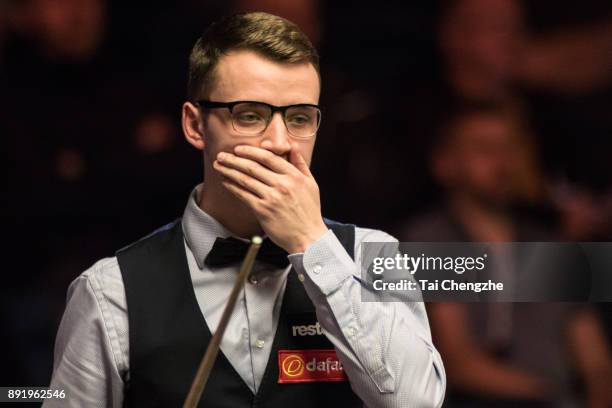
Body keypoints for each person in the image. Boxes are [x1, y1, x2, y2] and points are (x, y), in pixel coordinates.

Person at [44, 12, 446, 408]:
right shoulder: (110, 291)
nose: (278, 142)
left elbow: (417, 403)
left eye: (299, 118)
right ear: (195, 126)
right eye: (250, 115)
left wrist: (311, 243)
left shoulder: (374, 254)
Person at [402, 104, 612, 407]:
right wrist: (553, 396)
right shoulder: (427, 238)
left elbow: (597, 363)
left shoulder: (552, 244)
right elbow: (457, 363)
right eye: (484, 148)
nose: (502, 161)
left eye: (510, 146)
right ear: (444, 163)